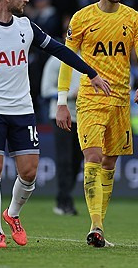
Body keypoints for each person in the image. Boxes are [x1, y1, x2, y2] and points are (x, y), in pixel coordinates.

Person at [0, 0, 110, 249]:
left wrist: (91, 72)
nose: (26, 0)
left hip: (23, 111)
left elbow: (60, 50)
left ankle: (12, 215)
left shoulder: (27, 27)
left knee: (29, 173)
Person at [56, 0, 138, 247]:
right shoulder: (82, 18)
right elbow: (66, 59)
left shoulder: (133, 18)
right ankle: (95, 225)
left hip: (121, 100)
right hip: (90, 99)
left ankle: (99, 225)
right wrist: (62, 102)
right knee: (94, 157)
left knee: (110, 162)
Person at [41, 55, 82, 216]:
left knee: (77, 160)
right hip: (60, 115)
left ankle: (64, 197)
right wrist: (71, 94)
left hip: (83, 116)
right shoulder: (56, 60)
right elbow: (46, 91)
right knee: (64, 159)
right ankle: (64, 200)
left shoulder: (88, 56)